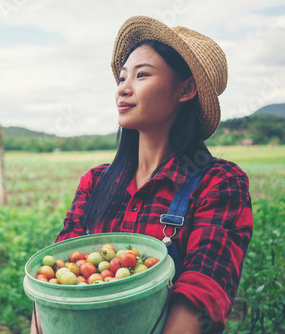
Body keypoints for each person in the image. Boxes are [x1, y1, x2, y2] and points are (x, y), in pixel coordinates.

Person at [31, 16, 253, 334]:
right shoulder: (94, 184)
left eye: (141, 75)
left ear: (186, 89)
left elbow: (202, 291)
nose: (123, 88)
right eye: (122, 78)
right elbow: (52, 281)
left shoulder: (218, 184)